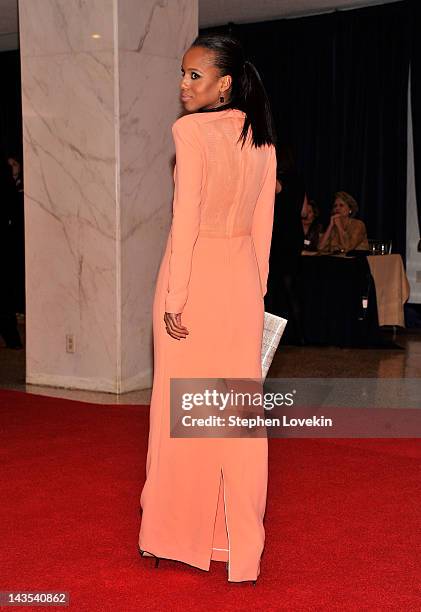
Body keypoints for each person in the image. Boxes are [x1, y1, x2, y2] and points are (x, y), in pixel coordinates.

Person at [138, 34, 277, 584]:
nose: (183, 85)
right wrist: (256, 292)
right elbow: (263, 228)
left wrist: (175, 297)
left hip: (192, 282)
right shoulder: (262, 139)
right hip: (241, 284)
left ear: (224, 83)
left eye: (194, 75)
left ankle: (173, 535)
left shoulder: (189, 131)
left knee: (181, 415)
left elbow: (186, 221)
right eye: (182, 74)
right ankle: (237, 547)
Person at [265, 145, 307, 344]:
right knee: (290, 286)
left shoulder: (278, 180)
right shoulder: (298, 180)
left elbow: (273, 188)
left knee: (274, 287)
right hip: (294, 235)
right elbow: (304, 212)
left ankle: (276, 336)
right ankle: (300, 334)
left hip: (280, 236)